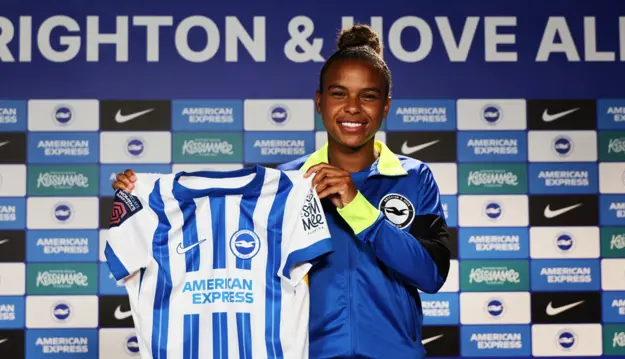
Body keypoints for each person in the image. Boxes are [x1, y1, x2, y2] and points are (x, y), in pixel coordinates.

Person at [112, 24, 451, 359]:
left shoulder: (415, 177)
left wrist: (357, 207)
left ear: (386, 106)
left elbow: (431, 274)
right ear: (319, 102)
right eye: (338, 93)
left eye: (369, 96)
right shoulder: (288, 183)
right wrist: (143, 197)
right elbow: (215, 215)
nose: (352, 107)